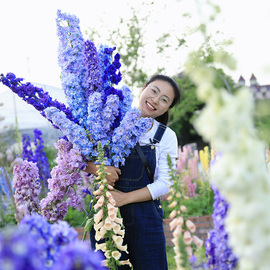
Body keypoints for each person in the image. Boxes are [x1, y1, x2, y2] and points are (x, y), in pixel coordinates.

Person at [85, 74, 181, 270]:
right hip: (105, 213)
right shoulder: (110, 120)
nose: (155, 100)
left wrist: (124, 198)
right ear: (144, 87)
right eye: (154, 91)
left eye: (164, 100)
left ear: (167, 108)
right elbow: (77, 159)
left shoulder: (165, 136)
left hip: (145, 217)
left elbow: (165, 183)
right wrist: (100, 169)